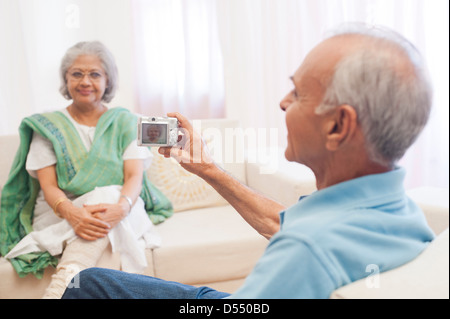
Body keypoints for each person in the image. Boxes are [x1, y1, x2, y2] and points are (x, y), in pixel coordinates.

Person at [61, 23, 435, 299]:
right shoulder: (402, 213)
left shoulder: (306, 250)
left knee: (83, 287)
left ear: (338, 125)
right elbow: (279, 221)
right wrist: (208, 169)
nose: (283, 102)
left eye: (298, 92)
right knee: (94, 282)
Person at [0, 41, 173, 298]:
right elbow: (48, 186)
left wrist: (121, 208)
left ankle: (59, 290)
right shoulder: (49, 126)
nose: (85, 81)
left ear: (107, 81)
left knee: (108, 197)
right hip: (61, 211)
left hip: (120, 206)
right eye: (76, 73)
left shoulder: (124, 122)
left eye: (95, 74)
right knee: (109, 221)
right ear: (66, 80)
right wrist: (73, 214)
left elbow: (134, 176)